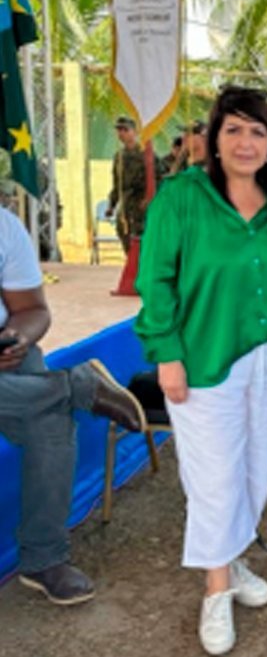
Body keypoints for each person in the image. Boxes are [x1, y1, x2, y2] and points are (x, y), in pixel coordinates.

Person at [135, 86, 267, 656]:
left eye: (258, 131)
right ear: (211, 137)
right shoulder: (181, 198)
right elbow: (154, 280)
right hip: (204, 360)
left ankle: (233, 562)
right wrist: (168, 357)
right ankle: (214, 591)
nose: (247, 142)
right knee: (214, 479)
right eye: (234, 129)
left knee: (256, 469)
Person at [0, 208, 147, 606]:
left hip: (5, 364)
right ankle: (75, 384)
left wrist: (18, 339)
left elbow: (32, 310)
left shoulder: (4, 226)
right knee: (53, 402)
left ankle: (43, 559)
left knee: (50, 424)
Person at [107, 116, 151, 253]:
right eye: (119, 130)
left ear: (135, 132)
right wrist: (112, 205)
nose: (121, 133)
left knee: (143, 242)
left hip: (142, 205)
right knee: (125, 237)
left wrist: (149, 199)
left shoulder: (146, 154)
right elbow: (117, 184)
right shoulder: (119, 156)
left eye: (125, 129)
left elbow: (157, 179)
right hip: (126, 206)